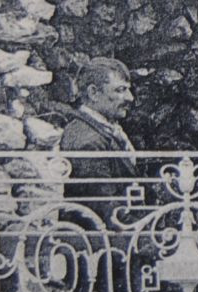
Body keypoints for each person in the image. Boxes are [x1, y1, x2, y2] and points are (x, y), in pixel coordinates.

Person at [59, 57, 139, 205]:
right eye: (120, 90)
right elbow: (105, 209)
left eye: (128, 89)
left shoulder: (101, 130)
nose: (130, 98)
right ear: (93, 93)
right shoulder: (88, 141)